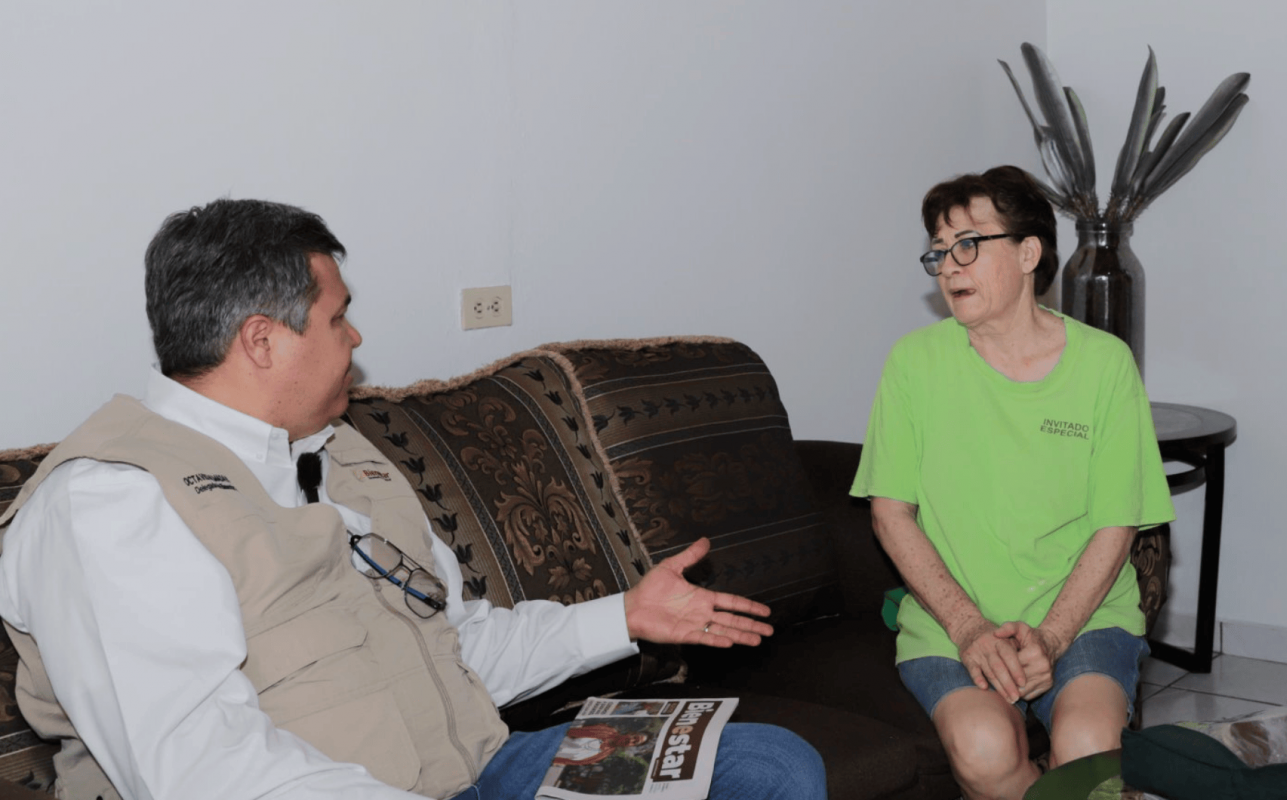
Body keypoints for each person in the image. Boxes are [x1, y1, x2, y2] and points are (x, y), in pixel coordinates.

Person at [0, 198, 826, 800]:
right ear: (262, 340)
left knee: (771, 767)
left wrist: (625, 617)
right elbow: (198, 768)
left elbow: (459, 646)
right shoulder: (110, 504)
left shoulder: (342, 451)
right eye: (337, 317)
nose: (356, 339)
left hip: (479, 768)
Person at [849, 166, 1173, 800]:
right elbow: (890, 513)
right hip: (953, 622)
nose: (949, 266)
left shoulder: (1104, 365)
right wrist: (969, 628)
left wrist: (1052, 637)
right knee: (985, 752)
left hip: (1083, 617)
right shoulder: (914, 364)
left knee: (1087, 751)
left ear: (1028, 253)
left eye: (968, 244)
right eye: (939, 251)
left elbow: (1117, 525)